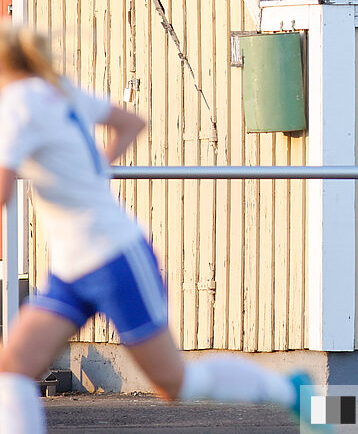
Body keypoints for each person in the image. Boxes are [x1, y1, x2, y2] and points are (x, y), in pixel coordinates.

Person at [0, 27, 313, 434]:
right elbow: (130, 122)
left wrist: (92, 171)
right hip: (71, 269)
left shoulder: (18, 104)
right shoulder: (55, 90)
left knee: (174, 384)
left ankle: (292, 392)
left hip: (114, 258)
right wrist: (99, 166)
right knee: (13, 368)